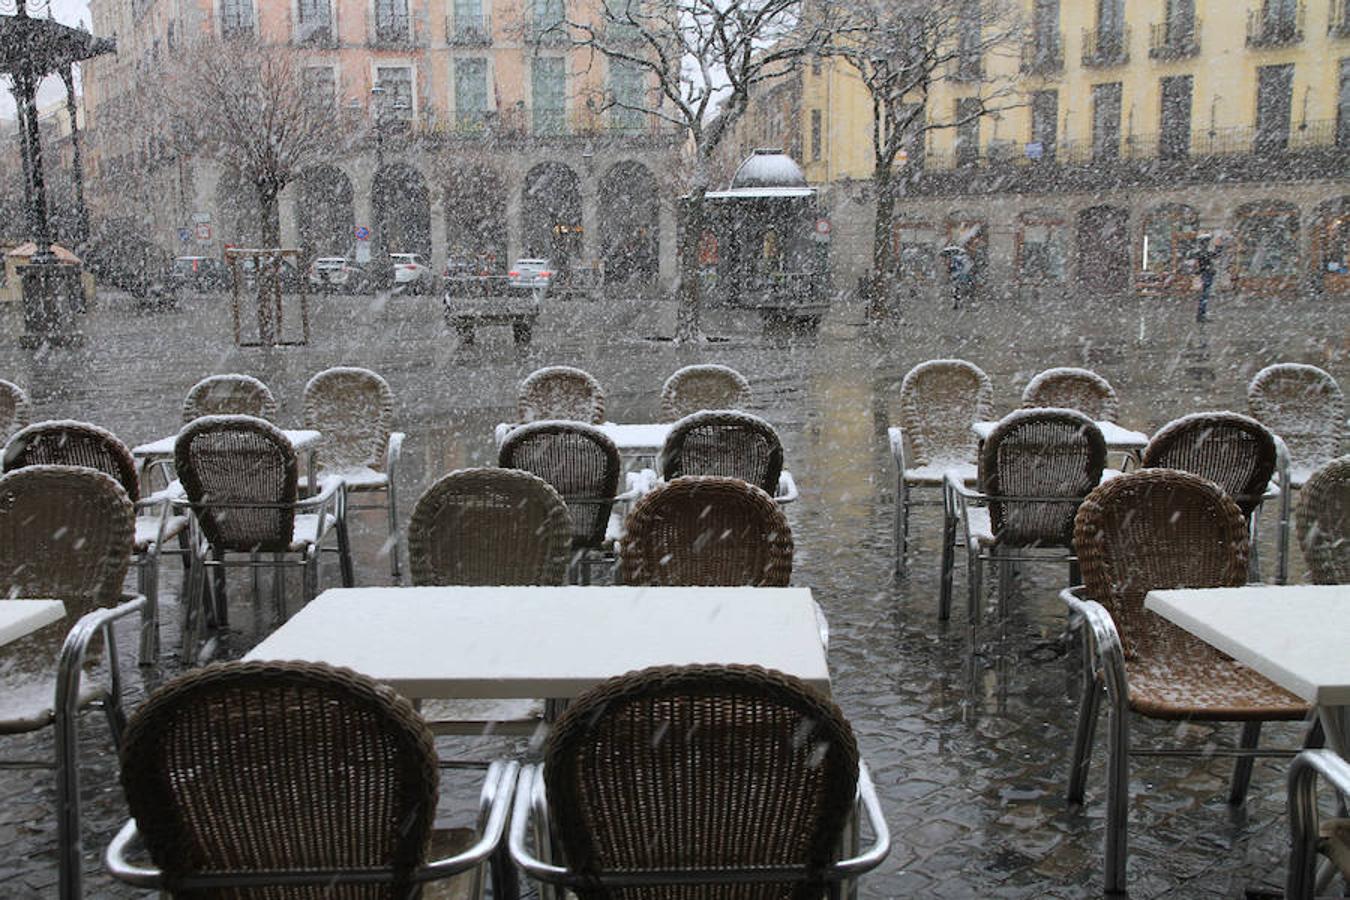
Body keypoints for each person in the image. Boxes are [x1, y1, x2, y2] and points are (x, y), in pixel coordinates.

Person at [1189, 233, 1222, 323]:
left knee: (1205, 295)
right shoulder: (1203, 252)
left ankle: (1201, 314)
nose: (1207, 244)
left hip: (1206, 274)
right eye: (1207, 242)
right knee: (1205, 295)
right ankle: (1201, 315)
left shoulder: (1200, 252)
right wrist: (1218, 246)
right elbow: (1214, 255)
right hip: (1206, 274)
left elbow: (1213, 256)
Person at [943, 245, 975, 309]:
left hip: (958, 277)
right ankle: (966, 304)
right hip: (965, 277)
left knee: (956, 290)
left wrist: (949, 270)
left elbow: (952, 268)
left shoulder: (954, 259)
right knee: (965, 290)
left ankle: (957, 304)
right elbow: (970, 266)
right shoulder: (965, 258)